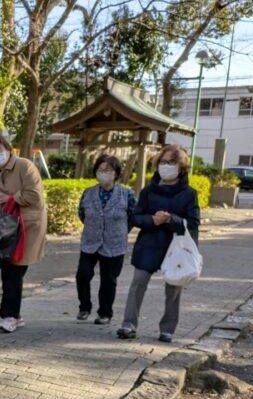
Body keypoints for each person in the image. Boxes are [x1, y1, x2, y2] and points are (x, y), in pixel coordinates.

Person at [117, 144, 200, 343]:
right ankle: (128, 324)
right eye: (163, 162)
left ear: (181, 167)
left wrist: (171, 219)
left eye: (172, 162)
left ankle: (167, 329)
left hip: (175, 247)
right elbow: (135, 217)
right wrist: (152, 220)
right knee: (138, 283)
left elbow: (193, 223)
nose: (166, 166)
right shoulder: (148, 191)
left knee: (173, 288)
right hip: (149, 244)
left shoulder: (189, 193)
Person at [0, 132, 48, 333]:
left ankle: (9, 316)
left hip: (26, 227)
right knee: (9, 270)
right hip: (7, 228)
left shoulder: (24, 165)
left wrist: (7, 198)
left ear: (8, 149)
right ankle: (15, 315)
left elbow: (34, 195)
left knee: (14, 272)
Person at [75, 154, 136, 325]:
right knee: (83, 275)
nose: (104, 173)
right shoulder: (88, 193)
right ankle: (84, 306)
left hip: (114, 243)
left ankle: (105, 313)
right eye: (100, 170)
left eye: (108, 170)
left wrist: (122, 230)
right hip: (90, 241)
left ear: (116, 173)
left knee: (108, 280)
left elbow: (134, 215)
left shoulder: (126, 194)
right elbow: (82, 214)